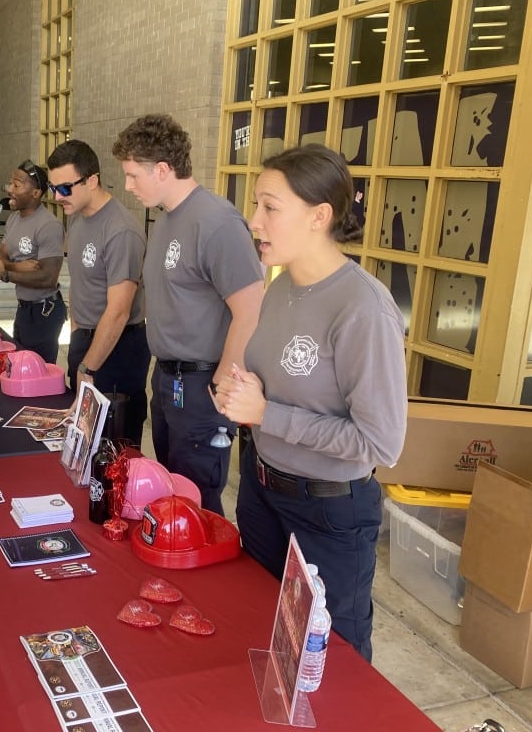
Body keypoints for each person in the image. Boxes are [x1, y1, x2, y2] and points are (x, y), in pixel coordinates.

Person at [214, 144, 407, 662]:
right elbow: (281, 384)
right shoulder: (280, 289)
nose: (254, 221)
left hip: (328, 512)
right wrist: (243, 392)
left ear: (320, 216)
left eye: (270, 207)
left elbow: (380, 443)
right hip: (261, 488)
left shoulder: (363, 308)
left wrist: (267, 414)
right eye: (256, 204)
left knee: (332, 658)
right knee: (262, 630)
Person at [112, 113, 264, 514]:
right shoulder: (164, 222)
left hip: (201, 382)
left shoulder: (217, 221)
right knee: (172, 494)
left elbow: (250, 308)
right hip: (168, 379)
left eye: (133, 175)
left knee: (198, 502)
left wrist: (220, 385)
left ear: (162, 169)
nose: (128, 186)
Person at [46, 139, 150, 445]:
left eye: (64, 188)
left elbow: (118, 311)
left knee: (114, 445)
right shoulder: (78, 221)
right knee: (82, 441)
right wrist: (77, 344)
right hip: (86, 343)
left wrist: (88, 366)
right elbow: (81, 286)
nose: (57, 196)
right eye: (53, 187)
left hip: (119, 348)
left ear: (91, 180)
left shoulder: (121, 230)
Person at [0, 159, 66, 364]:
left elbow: (48, 278)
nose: (9, 189)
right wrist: (19, 266)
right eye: (10, 183)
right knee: (19, 364)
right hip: (23, 309)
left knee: (38, 370)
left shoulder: (49, 225)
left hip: (44, 312)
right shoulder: (13, 219)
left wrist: (5, 274)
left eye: (17, 185)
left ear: (36, 193)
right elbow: (1, 256)